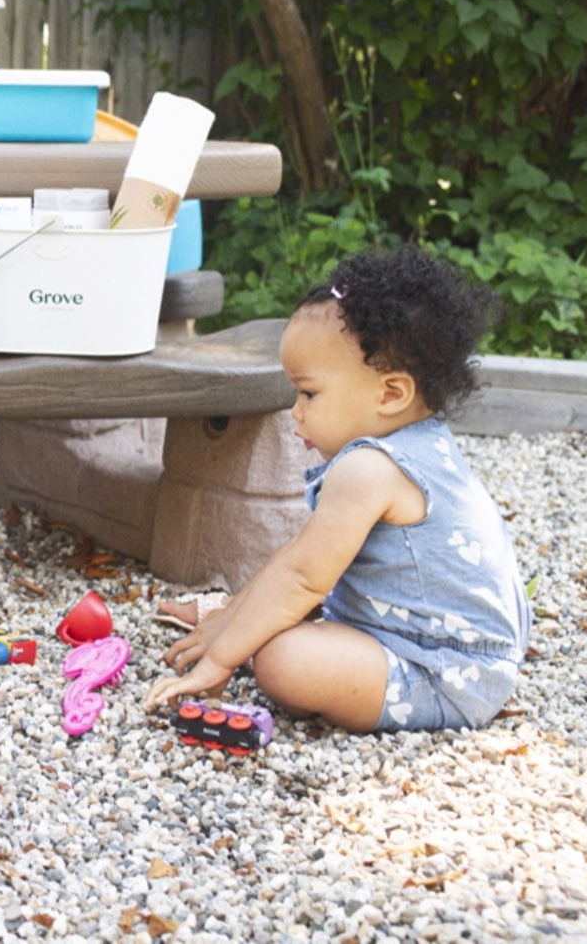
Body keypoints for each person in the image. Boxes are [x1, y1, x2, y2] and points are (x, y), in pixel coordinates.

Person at [146, 246, 530, 732]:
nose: (295, 411)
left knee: (282, 660)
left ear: (391, 394)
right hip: (447, 641)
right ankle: (236, 616)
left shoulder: (370, 468)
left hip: (442, 672)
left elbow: (305, 577)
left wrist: (221, 659)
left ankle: (245, 627)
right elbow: (301, 559)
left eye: (308, 393)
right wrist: (233, 619)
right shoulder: (417, 440)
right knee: (277, 598)